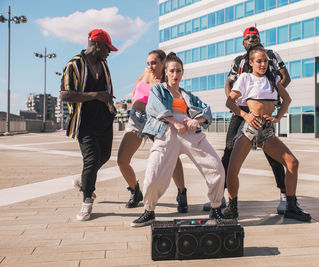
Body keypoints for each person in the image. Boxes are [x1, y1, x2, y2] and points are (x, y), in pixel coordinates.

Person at [131, 52, 225, 227]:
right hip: (167, 131)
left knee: (216, 167)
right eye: (172, 71)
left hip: (189, 132)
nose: (175, 75)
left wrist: (196, 120)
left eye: (178, 71)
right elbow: (153, 107)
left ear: (182, 73)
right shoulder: (158, 89)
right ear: (166, 72)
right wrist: (174, 121)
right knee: (153, 176)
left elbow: (207, 111)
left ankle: (216, 208)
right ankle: (149, 211)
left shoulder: (188, 95)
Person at [203, 26, 290, 215]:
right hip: (242, 109)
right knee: (228, 150)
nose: (252, 40)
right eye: (248, 38)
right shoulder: (239, 61)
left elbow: (285, 77)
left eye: (255, 37)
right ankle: (221, 196)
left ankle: (284, 195)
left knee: (272, 153)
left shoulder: (271, 55)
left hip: (263, 110)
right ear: (243, 42)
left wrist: (272, 94)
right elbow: (229, 82)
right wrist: (236, 100)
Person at [223, 45, 311, 222]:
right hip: (249, 128)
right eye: (259, 61)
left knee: (292, 163)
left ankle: (291, 206)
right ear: (251, 62)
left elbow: (287, 99)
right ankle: (232, 208)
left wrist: (278, 117)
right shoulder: (245, 78)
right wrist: (245, 115)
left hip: (266, 130)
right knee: (232, 170)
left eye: (265, 61)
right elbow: (230, 102)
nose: (263, 64)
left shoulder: (273, 79)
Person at [117, 49, 188, 213]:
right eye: (148, 63)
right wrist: (135, 99)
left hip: (157, 122)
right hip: (137, 119)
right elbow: (138, 85)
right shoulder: (146, 72)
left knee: (172, 157)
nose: (150, 66)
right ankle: (135, 191)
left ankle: (182, 193)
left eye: (154, 63)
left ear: (164, 63)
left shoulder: (168, 80)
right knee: (122, 159)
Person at [60, 29, 117, 221]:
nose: (110, 52)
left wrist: (109, 104)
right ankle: (87, 201)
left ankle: (84, 179)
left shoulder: (104, 64)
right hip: (85, 122)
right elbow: (64, 94)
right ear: (98, 46)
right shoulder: (74, 64)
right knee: (91, 161)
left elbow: (107, 89)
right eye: (108, 48)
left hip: (104, 120)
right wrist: (96, 95)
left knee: (106, 155)